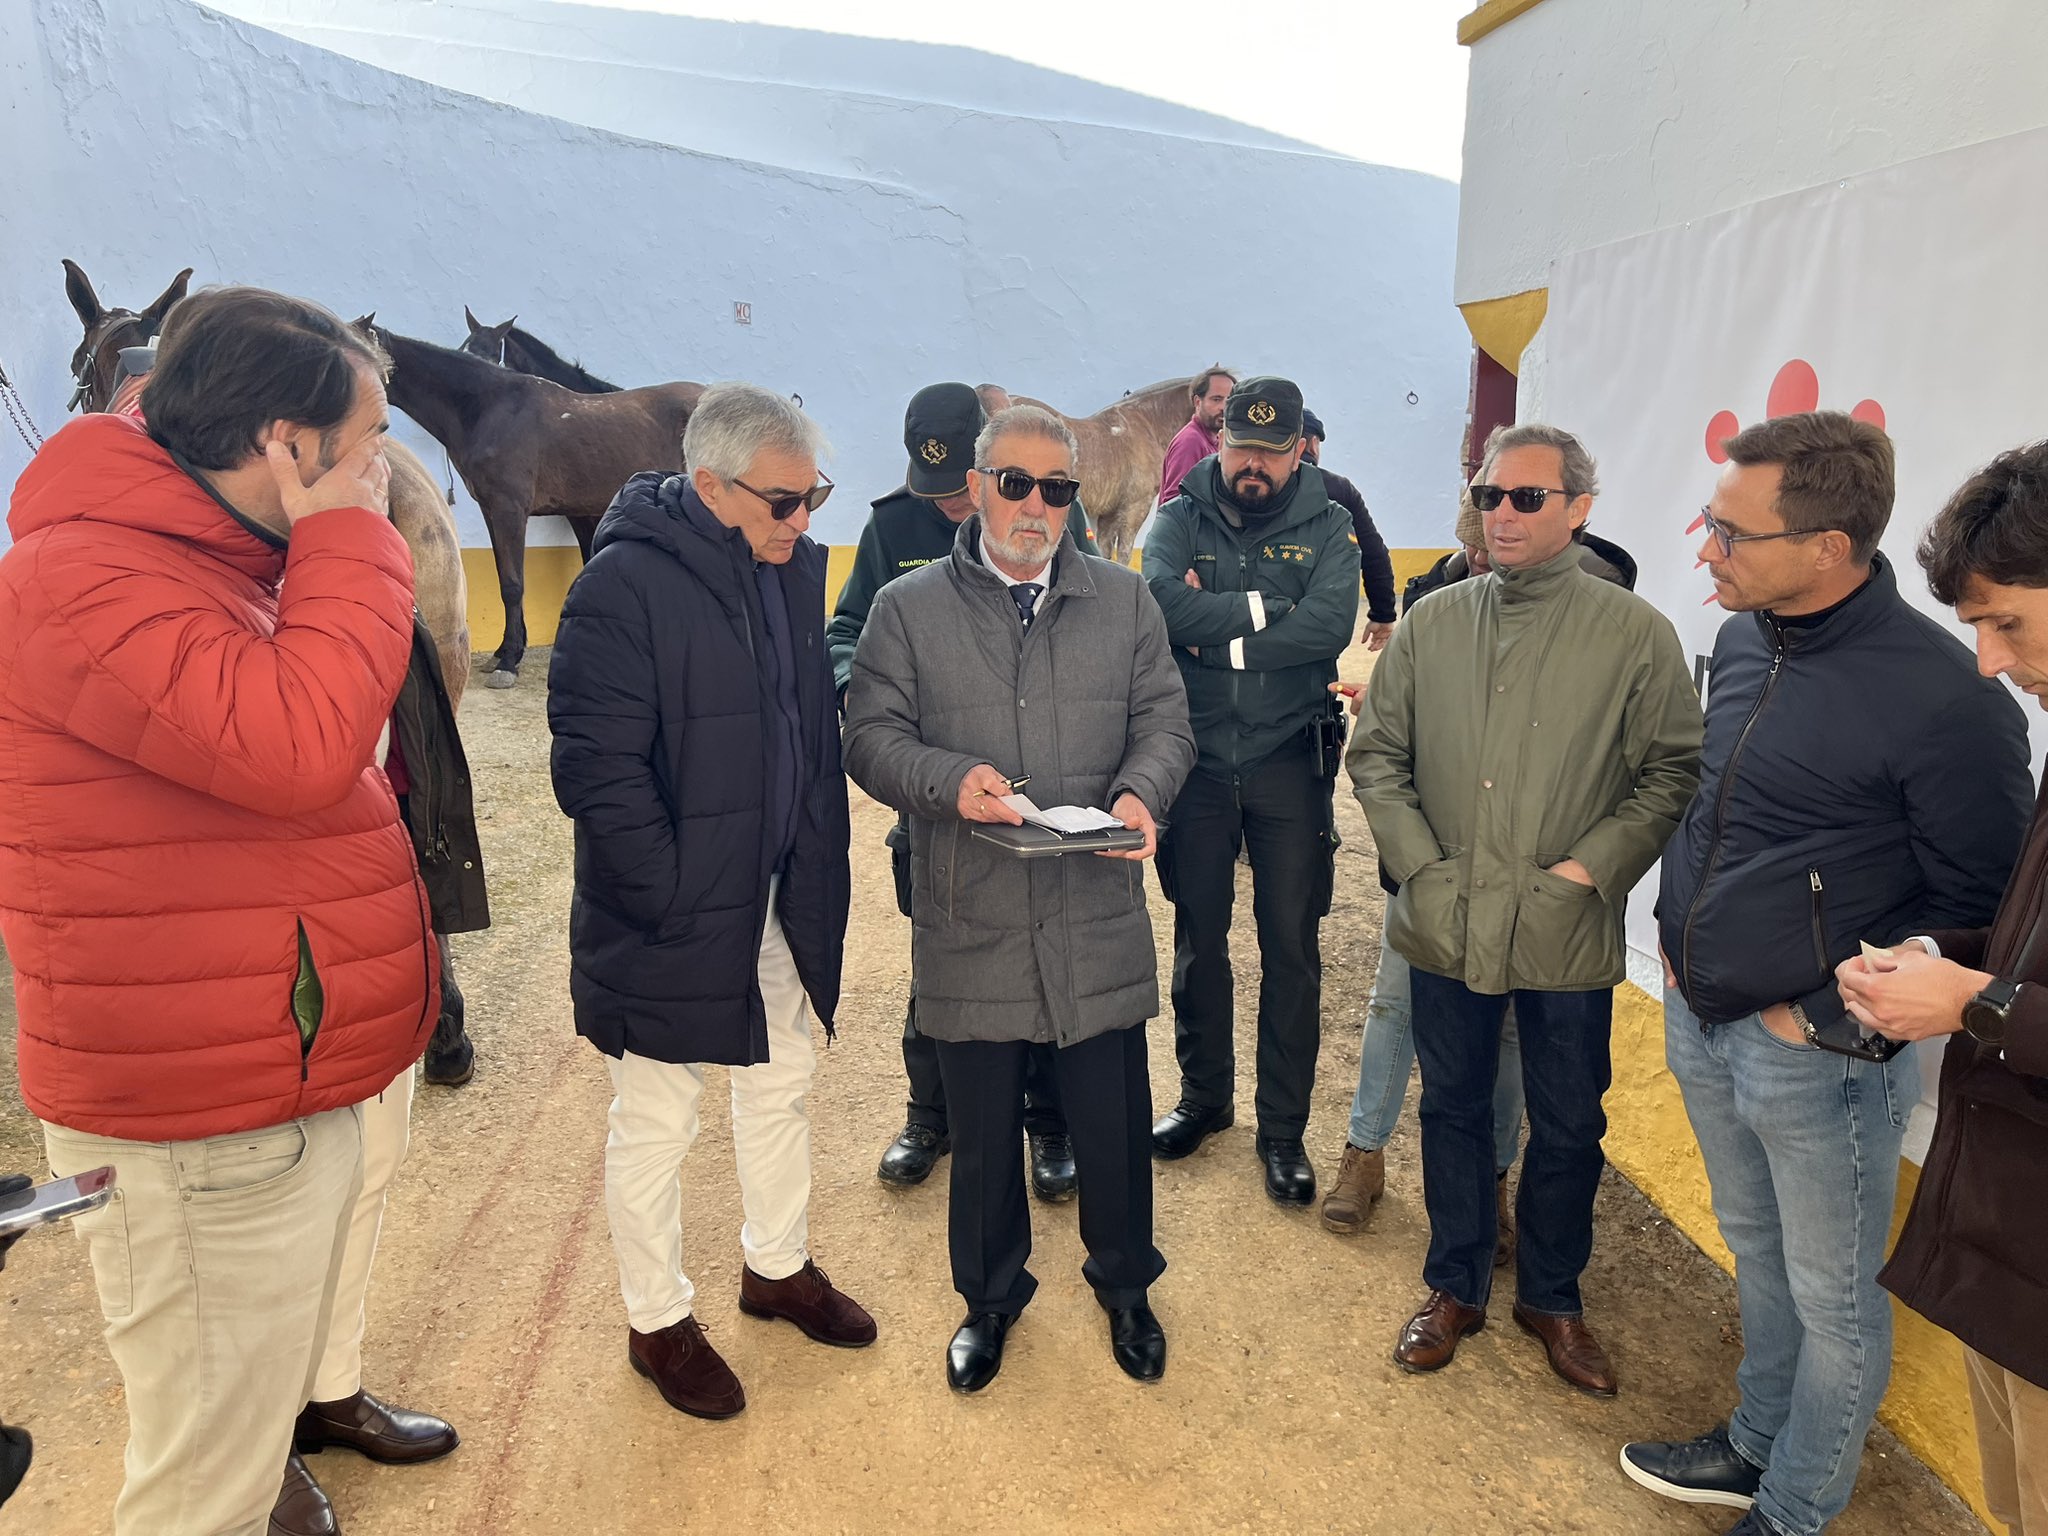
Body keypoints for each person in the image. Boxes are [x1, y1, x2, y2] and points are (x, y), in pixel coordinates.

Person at [9, 287, 448, 1536]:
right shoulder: (83, 579)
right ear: (284, 445)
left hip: (260, 1084)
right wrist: (352, 544)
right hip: (202, 1122)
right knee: (200, 1490)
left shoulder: (202, 559)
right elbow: (304, 744)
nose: (381, 471)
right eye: (365, 444)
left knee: (237, 1460)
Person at [1618, 412, 2033, 1536]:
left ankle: (1794, 1510)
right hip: (1703, 1020)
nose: (1703, 549)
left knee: (1835, 1302)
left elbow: (1983, 913)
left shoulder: (1952, 702)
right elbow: (1726, 810)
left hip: (1821, 1060)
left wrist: (1819, 1018)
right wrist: (1676, 934)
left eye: (1727, 532)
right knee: (1754, 1252)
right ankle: (1754, 1442)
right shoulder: (1750, 636)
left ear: (1826, 549)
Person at [844, 404, 1195, 1392]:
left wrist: (1141, 789)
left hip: (1093, 908)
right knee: (986, 1129)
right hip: (974, 908)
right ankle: (989, 1300)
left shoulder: (1124, 604)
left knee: (1112, 1118)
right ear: (976, 485)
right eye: (1016, 484)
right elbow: (868, 733)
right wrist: (944, 780)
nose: (1036, 506)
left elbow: (1167, 721)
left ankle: (1125, 1284)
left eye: (1057, 489)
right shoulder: (906, 610)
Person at [1349, 422, 1702, 1397]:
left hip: (1564, 933)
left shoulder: (1633, 633)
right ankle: (1453, 1284)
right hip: (1443, 921)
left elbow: (1671, 767)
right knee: (1454, 1111)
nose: (1498, 513)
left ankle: (1551, 1295)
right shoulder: (1434, 621)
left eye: (1524, 498)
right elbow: (1376, 755)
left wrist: (1589, 871)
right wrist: (1418, 867)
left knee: (1566, 1122)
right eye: (1488, 495)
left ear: (1577, 508)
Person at [548, 384, 871, 1424]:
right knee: (656, 1117)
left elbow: (799, 730)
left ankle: (774, 1269)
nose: (802, 520)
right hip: (673, 913)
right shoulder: (623, 586)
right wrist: (674, 891)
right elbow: (595, 773)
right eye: (781, 501)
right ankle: (656, 1321)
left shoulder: (788, 573)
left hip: (777, 890)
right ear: (705, 485)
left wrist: (808, 855)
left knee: (779, 1083)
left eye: (812, 495)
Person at [1835, 440, 2048, 1536]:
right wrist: (1939, 956)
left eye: (2003, 621)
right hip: (2012, 1251)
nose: (1983, 660)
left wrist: (1976, 1005)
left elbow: (2009, 996)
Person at [829, 383, 1079, 1200]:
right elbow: (844, 632)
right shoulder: (890, 526)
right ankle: (928, 1115)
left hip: (1033, 805)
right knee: (937, 963)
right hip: (935, 802)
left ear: (981, 472)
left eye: (955, 489)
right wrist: (863, 690)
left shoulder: (1039, 525)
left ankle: (1046, 1123)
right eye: (931, 489)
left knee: (1044, 965)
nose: (943, 505)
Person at [1143, 377, 1360, 1205]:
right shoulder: (1178, 513)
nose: (1254, 465)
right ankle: (1204, 1101)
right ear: (1219, 440)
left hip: (1286, 762)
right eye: (1241, 447)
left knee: (1291, 949)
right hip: (1194, 760)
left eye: (1272, 451)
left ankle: (1282, 1132)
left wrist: (1219, 640)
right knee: (1199, 936)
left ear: (1299, 448)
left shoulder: (1331, 522)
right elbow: (1158, 605)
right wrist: (1271, 612)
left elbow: (1327, 628)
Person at [1300, 407, 1396, 650]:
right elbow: (1374, 553)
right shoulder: (1339, 489)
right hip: (1322, 620)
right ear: (1311, 444)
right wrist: (1382, 614)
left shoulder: (1252, 484)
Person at [1157, 366, 1236, 507]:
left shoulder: (1215, 440)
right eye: (1216, 399)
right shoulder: (1190, 442)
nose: (1224, 407)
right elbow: (1174, 503)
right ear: (1198, 402)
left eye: (1229, 400)